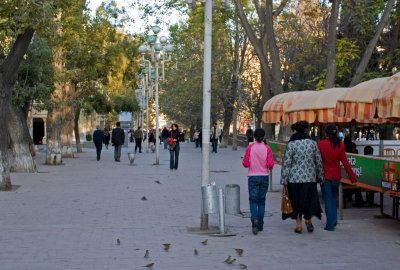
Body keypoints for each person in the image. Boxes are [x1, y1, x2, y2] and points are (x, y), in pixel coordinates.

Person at [281, 121, 324, 234]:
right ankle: (308, 219)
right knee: (309, 200)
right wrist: (320, 176)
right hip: (310, 178)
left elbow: (286, 163)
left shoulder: (291, 144)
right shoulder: (312, 143)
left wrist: (284, 179)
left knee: (296, 202)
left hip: (294, 179)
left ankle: (299, 225)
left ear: (295, 131)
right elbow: (318, 161)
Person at [318, 124, 357, 231]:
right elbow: (345, 163)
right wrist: (353, 178)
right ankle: (334, 220)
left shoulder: (321, 144)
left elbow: (318, 161)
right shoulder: (340, 145)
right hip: (336, 176)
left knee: (328, 200)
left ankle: (330, 225)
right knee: (333, 199)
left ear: (326, 133)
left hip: (325, 177)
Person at [242, 128, 274, 235]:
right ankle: (260, 225)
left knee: (253, 200)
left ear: (254, 137)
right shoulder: (267, 148)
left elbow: (245, 163)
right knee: (262, 201)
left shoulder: (250, 147)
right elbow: (270, 165)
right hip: (264, 176)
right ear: (264, 136)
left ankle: (254, 219)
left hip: (253, 177)